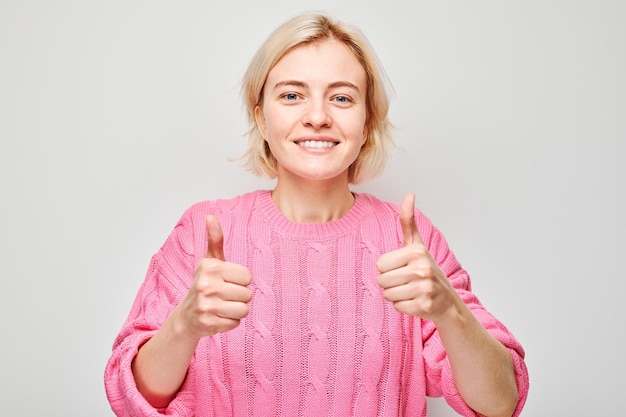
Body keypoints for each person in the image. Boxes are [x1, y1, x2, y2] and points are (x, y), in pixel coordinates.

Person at [104, 11, 529, 417]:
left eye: (341, 97)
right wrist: (184, 325)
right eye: (292, 95)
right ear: (261, 116)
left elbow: (499, 403)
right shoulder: (202, 232)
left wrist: (448, 310)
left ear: (366, 123)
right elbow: (131, 399)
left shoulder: (410, 243)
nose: (318, 117)